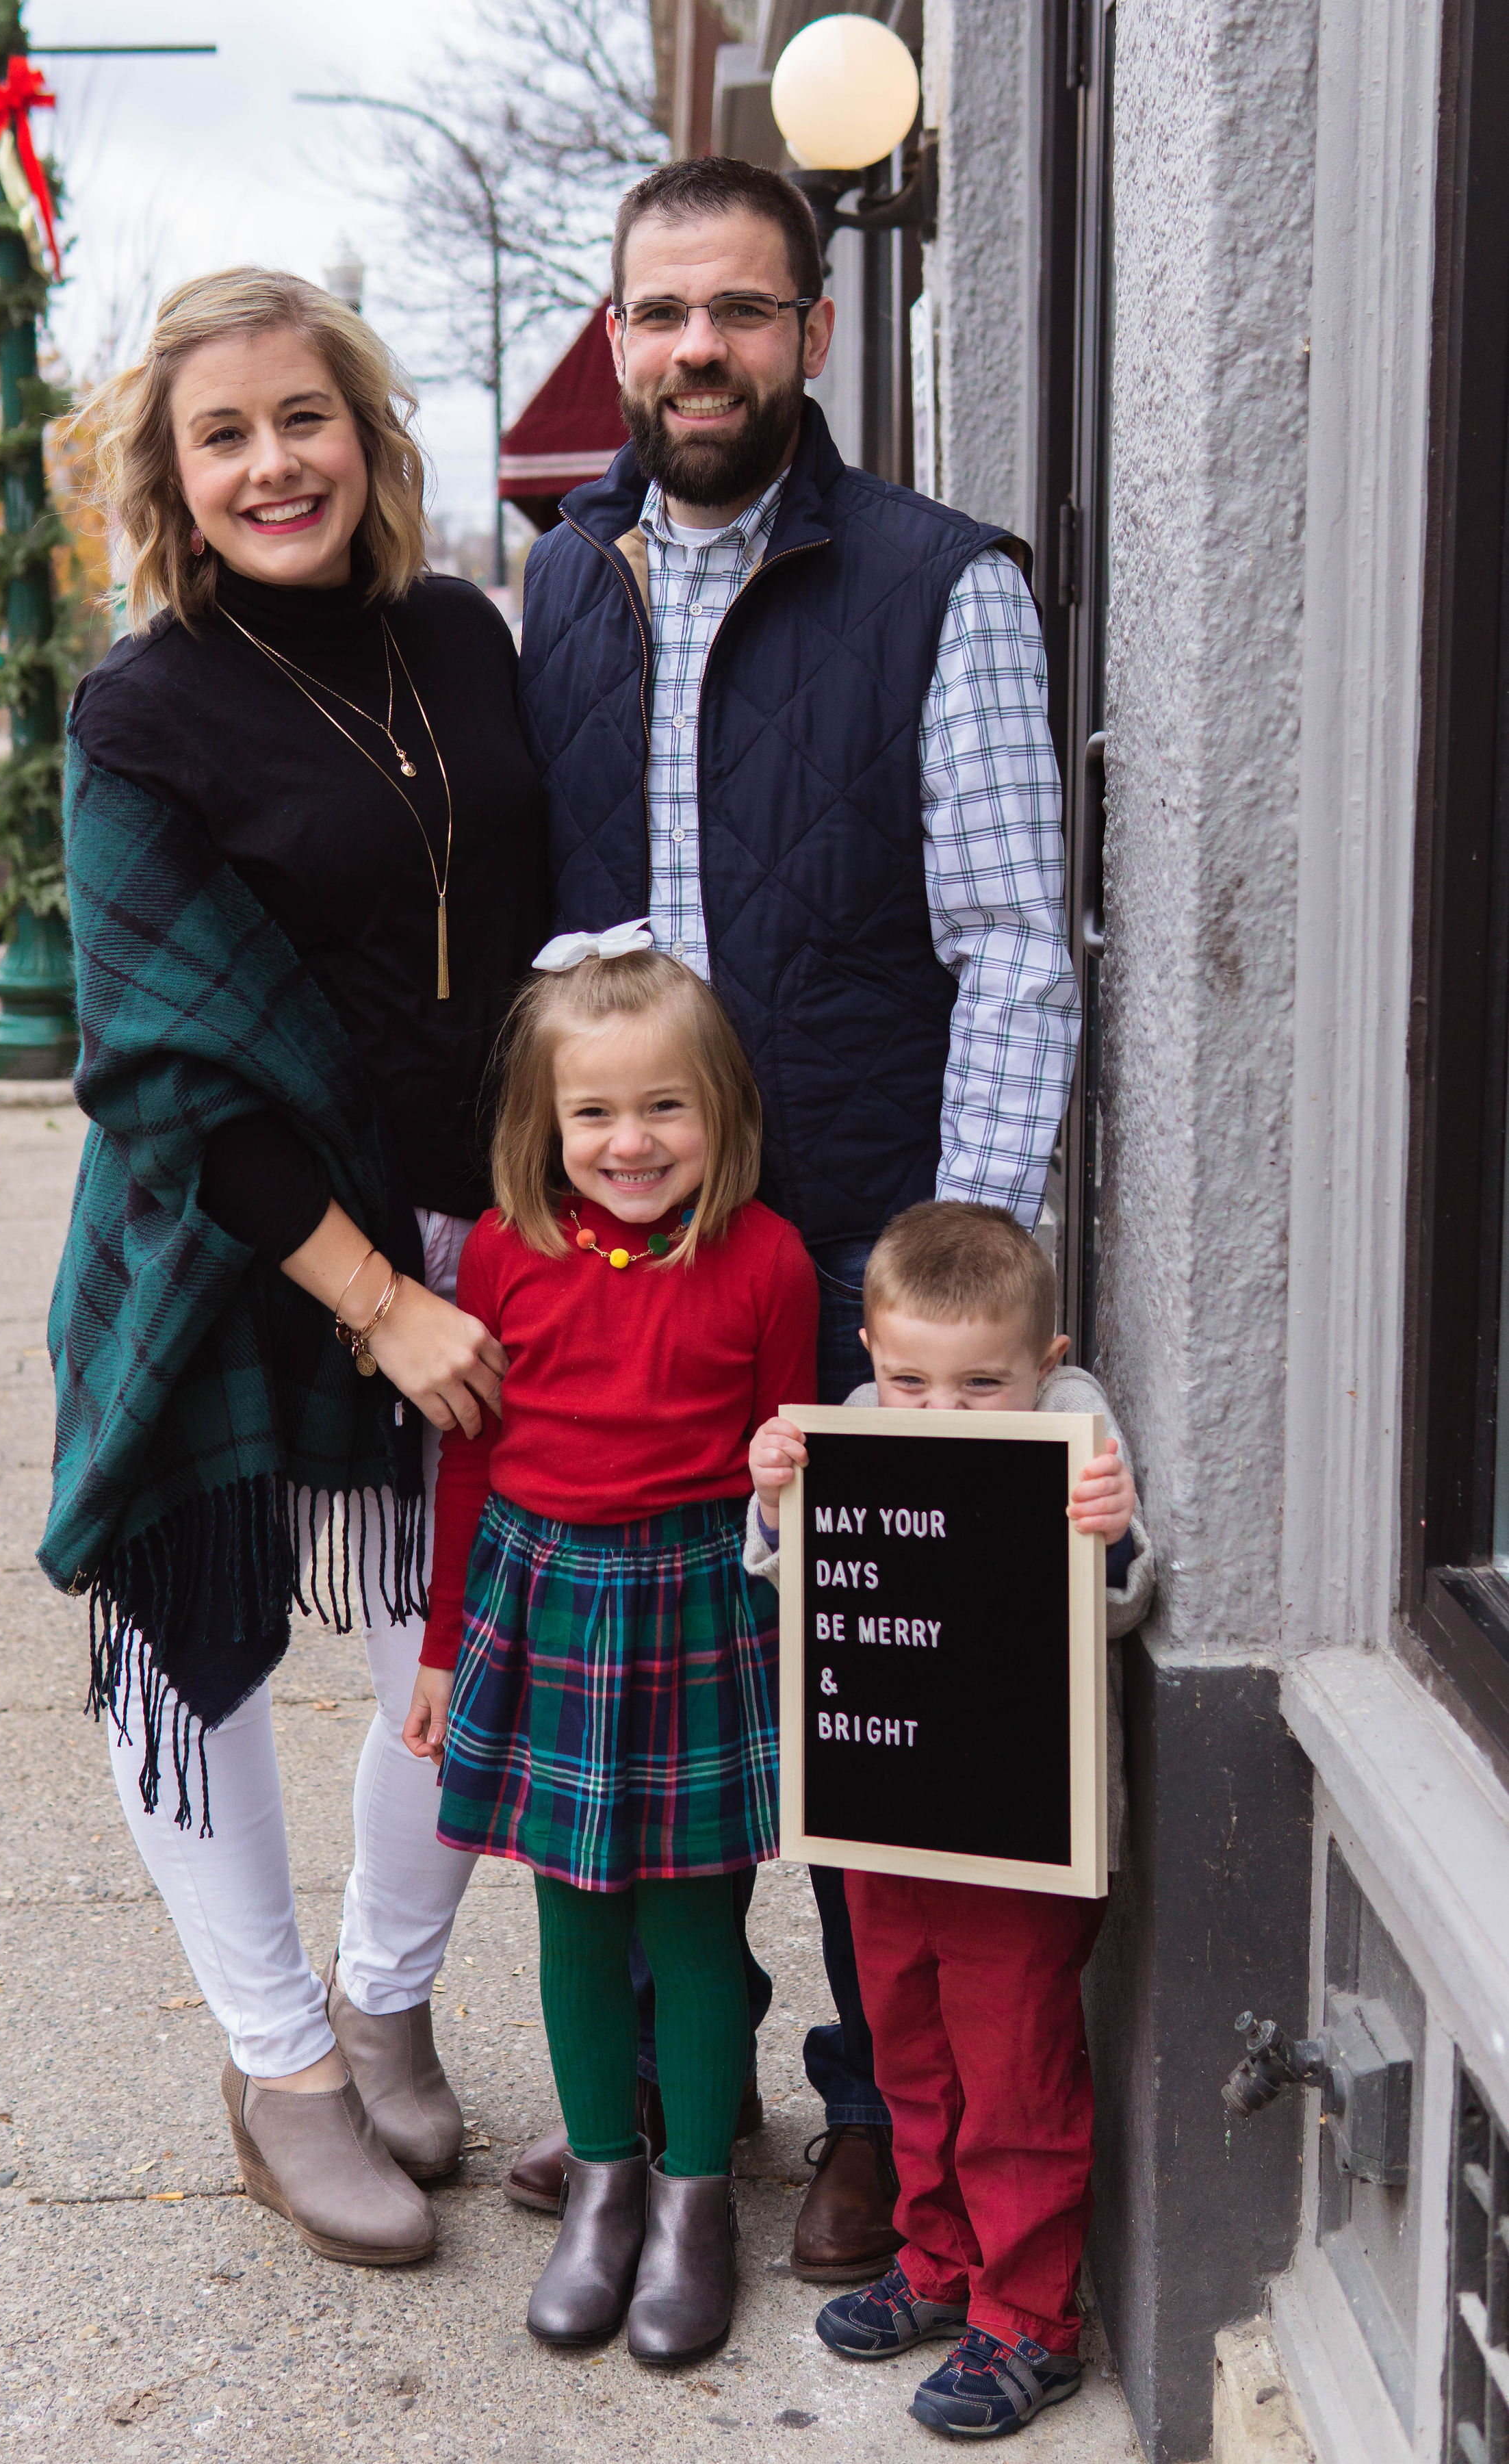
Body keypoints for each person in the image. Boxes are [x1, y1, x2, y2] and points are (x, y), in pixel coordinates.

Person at [507, 154, 1081, 2279]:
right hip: (627, 1261)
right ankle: (672, 2082)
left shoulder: (946, 587)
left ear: (812, 335)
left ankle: (873, 2102)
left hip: (847, 1235)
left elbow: (1016, 948)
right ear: (618, 329)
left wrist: (949, 1289)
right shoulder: (560, 579)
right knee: (648, 1672)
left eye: (739, 312)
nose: (694, 352)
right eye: (659, 314)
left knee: (857, 1690)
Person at [40, 268, 545, 2268]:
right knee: (199, 1652)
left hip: (462, 1216)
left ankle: (386, 1997)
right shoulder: (140, 705)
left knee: (461, 1640)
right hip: (229, 1246)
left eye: (303, 418)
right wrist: (379, 1295)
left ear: (368, 430)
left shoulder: (457, 636)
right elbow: (168, 1051)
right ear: (173, 476)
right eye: (225, 434)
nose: (275, 464)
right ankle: (281, 2070)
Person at [400, 932, 818, 2364]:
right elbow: (466, 1465)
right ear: (543, 1125)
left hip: (705, 1607)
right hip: (548, 1599)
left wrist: (786, 1472)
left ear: (721, 1113)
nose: (630, 1142)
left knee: (697, 1918)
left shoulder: (765, 1263)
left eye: (664, 1108)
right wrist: (446, 1650)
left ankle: (696, 2202)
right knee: (573, 1917)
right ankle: (602, 2181)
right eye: (594, 1113)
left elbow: (793, 1473)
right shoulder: (505, 1262)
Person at [745, 1201, 1155, 2439]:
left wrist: (1112, 1533)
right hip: (887, 1819)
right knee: (909, 2052)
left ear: (1044, 1358)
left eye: (981, 1384)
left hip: (1021, 1833)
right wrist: (773, 1509)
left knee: (1015, 2071)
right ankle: (936, 2256)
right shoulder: (861, 1429)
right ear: (869, 1352)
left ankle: (1030, 2318)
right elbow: (791, 1583)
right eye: (911, 1378)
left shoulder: (1071, 1430)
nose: (942, 1411)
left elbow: (1132, 1600)